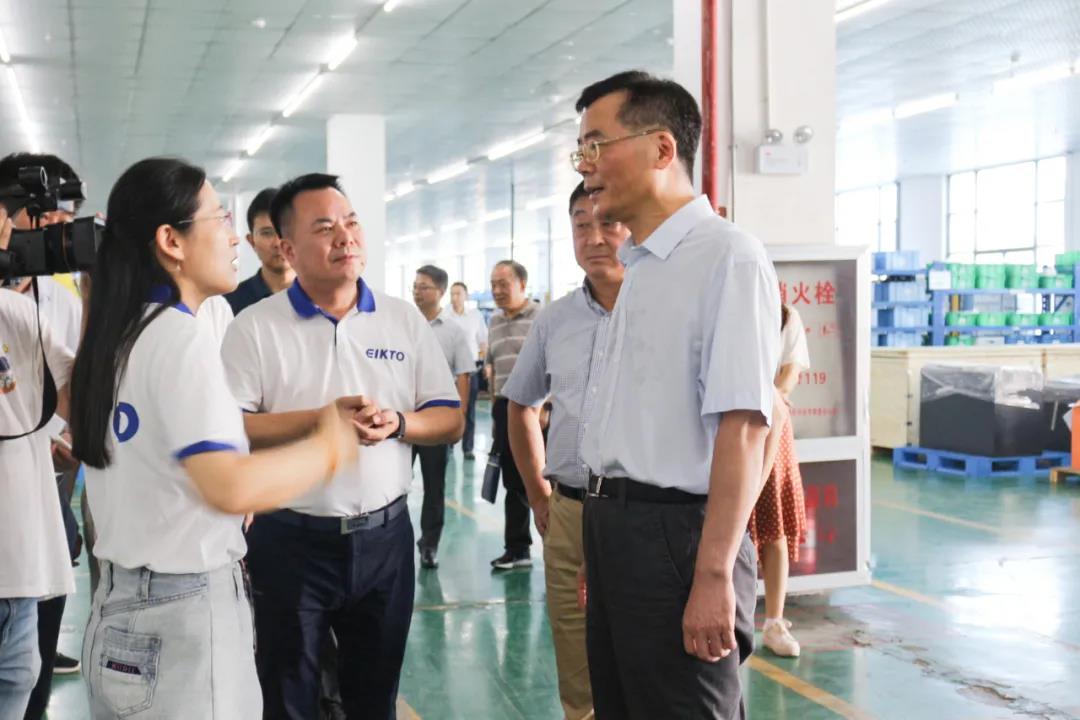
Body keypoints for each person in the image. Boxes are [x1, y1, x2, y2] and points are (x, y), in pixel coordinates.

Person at [69, 158, 361, 720]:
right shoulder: (180, 338)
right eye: (221, 219)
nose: (234, 238)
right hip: (181, 615)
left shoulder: (122, 334)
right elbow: (230, 487)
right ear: (170, 241)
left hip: (120, 606)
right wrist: (329, 444)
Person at [574, 71, 781, 719]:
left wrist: (714, 574)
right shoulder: (642, 265)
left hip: (680, 537)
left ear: (662, 148)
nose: (584, 166)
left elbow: (745, 426)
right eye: (580, 151)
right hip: (618, 530)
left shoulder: (727, 256)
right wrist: (601, 540)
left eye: (596, 145)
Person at [221, 173, 463, 720]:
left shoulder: (401, 320)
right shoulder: (254, 328)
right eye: (325, 228)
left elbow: (448, 417)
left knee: (373, 699)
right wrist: (319, 423)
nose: (345, 237)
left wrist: (399, 423)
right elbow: (230, 425)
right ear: (287, 249)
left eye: (351, 223)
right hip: (290, 541)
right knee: (288, 697)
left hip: (384, 542)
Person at [504, 182, 629, 720]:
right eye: (582, 225)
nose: (594, 237)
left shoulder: (666, 309)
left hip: (645, 515)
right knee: (577, 662)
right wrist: (539, 495)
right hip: (572, 512)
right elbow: (520, 405)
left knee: (646, 657)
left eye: (608, 223)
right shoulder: (555, 320)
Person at [0, 151, 86, 712]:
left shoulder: (33, 308)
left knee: (21, 677)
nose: (53, 230)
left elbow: (83, 388)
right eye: (41, 216)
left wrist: (100, 289)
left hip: (22, 542)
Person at [750, 303, 809, 657]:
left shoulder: (784, 314)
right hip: (719, 424)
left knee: (774, 526)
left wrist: (767, 403)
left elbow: (790, 372)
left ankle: (774, 622)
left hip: (769, 422)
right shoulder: (716, 304)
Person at [412, 265, 473, 569]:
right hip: (403, 418)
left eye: (423, 287)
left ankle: (429, 544)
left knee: (434, 486)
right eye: (415, 286)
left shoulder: (454, 331)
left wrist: (458, 418)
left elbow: (463, 375)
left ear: (440, 292)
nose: (416, 292)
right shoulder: (404, 324)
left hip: (436, 421)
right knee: (395, 481)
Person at [486, 260, 540, 570]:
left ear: (522, 284)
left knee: (551, 482)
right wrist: (496, 413)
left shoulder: (541, 317)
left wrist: (545, 409)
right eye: (493, 284)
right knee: (513, 481)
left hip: (538, 410)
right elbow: (494, 368)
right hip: (505, 407)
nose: (496, 290)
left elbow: (557, 365)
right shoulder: (494, 321)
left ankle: (561, 548)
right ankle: (518, 549)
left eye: (503, 284)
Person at [224, 187, 294, 315]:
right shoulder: (229, 304)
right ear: (252, 241)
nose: (278, 243)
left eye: (285, 230)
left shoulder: (323, 297)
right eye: (267, 233)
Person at [448, 281, 488, 460]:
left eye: (458, 294)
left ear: (466, 296)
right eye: (452, 294)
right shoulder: (445, 316)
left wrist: (486, 364)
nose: (454, 297)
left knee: (469, 410)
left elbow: (483, 342)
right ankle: (448, 444)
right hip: (449, 372)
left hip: (470, 370)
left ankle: (468, 448)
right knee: (449, 409)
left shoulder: (475, 316)